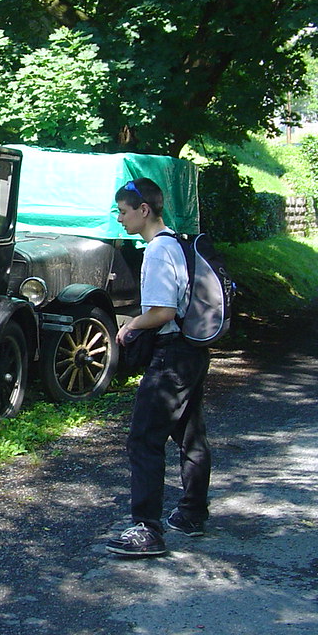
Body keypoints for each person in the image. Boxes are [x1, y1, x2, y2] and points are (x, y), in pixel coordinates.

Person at [105, 178, 212, 557]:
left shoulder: (156, 251)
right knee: (190, 435)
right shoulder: (180, 244)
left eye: (123, 211)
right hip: (193, 351)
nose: (119, 218)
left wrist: (131, 324)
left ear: (143, 210)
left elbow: (162, 312)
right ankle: (192, 513)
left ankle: (146, 529)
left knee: (144, 439)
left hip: (171, 356)